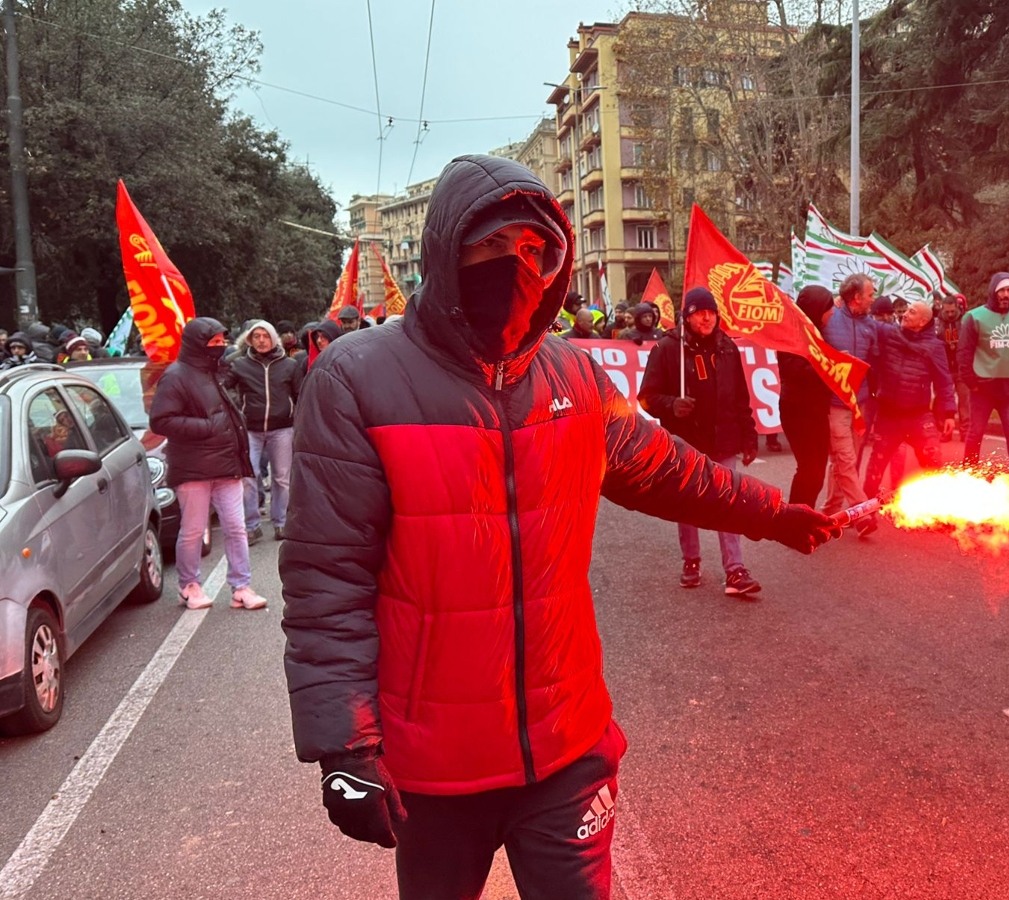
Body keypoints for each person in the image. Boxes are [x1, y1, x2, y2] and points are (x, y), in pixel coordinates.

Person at [279, 155, 838, 900]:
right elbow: (327, 578)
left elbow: (667, 468)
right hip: (434, 769)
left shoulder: (573, 376)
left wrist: (773, 512)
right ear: (448, 251)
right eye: (492, 246)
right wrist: (344, 746)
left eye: (535, 251)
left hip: (568, 746)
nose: (515, 266)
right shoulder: (355, 379)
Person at [639, 287, 764, 596]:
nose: (707, 317)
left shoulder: (727, 348)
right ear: (688, 317)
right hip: (686, 441)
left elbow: (740, 398)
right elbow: (646, 398)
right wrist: (671, 405)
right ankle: (691, 560)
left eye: (711, 312)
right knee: (688, 504)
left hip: (723, 439)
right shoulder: (667, 349)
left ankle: (735, 570)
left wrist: (749, 436)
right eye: (699, 313)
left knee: (728, 503)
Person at [148, 317, 267, 611]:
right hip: (194, 467)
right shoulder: (176, 376)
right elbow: (161, 421)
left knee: (237, 528)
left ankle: (241, 586)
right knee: (192, 529)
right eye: (213, 342)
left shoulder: (218, 372)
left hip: (227, 463)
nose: (220, 347)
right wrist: (205, 427)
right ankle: (189, 585)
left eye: (222, 341)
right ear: (197, 345)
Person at [862, 301, 956, 498]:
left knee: (933, 461)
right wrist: (841, 304)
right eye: (906, 311)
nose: (905, 314)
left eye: (911, 312)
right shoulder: (890, 333)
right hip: (888, 415)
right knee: (876, 465)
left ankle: (941, 507)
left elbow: (944, 381)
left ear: (922, 321)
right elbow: (865, 321)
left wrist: (949, 413)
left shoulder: (935, 347)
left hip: (918, 416)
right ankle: (864, 509)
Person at [227, 320, 301, 544]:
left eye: (265, 336)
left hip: (282, 428)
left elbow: (300, 394)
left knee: (282, 478)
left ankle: (281, 522)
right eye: (256, 336)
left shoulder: (289, 365)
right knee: (249, 477)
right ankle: (252, 525)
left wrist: (299, 420)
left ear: (273, 338)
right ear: (250, 339)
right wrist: (237, 409)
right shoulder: (240, 365)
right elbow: (224, 387)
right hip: (251, 428)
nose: (261, 340)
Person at [821, 273, 880, 534]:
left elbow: (875, 360)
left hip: (861, 402)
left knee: (848, 460)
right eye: (870, 294)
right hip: (835, 402)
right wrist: (834, 359)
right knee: (844, 457)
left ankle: (831, 512)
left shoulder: (872, 325)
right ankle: (861, 511)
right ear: (856, 297)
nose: (874, 298)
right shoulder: (829, 319)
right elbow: (816, 355)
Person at [958, 272, 1009, 478]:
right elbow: (964, 352)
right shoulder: (974, 317)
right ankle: (969, 473)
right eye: (1002, 290)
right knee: (976, 431)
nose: (1006, 295)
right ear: (993, 291)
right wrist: (971, 383)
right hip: (983, 386)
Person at [777, 285, 835, 506]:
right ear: (816, 309)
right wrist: (829, 364)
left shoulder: (816, 332)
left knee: (816, 472)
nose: (832, 313)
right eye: (828, 308)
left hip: (816, 410)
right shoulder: (791, 335)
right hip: (798, 410)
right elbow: (794, 371)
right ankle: (795, 521)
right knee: (809, 470)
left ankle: (801, 518)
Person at [935, 294, 969, 439]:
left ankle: (965, 431)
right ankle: (944, 430)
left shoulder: (965, 321)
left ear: (957, 308)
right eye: (947, 311)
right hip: (944, 367)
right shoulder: (937, 323)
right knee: (943, 399)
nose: (949, 314)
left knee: (964, 400)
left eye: (952, 312)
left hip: (961, 367)